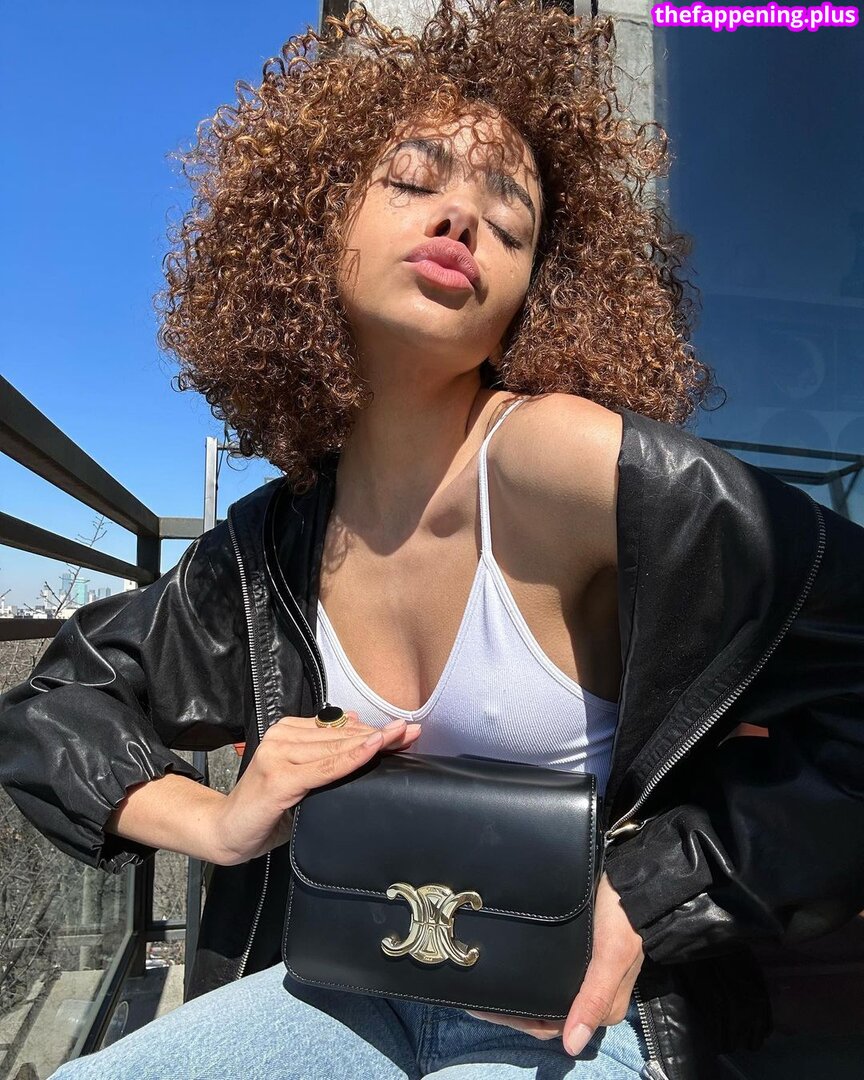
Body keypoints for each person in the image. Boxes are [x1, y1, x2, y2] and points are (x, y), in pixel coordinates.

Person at [2, 2, 863, 1078]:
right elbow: (55, 705)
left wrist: (653, 893)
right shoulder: (276, 541)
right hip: (340, 984)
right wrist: (220, 824)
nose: (462, 217)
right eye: (413, 181)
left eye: (511, 220)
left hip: (565, 1011)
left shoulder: (561, 463)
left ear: (537, 293)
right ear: (317, 226)